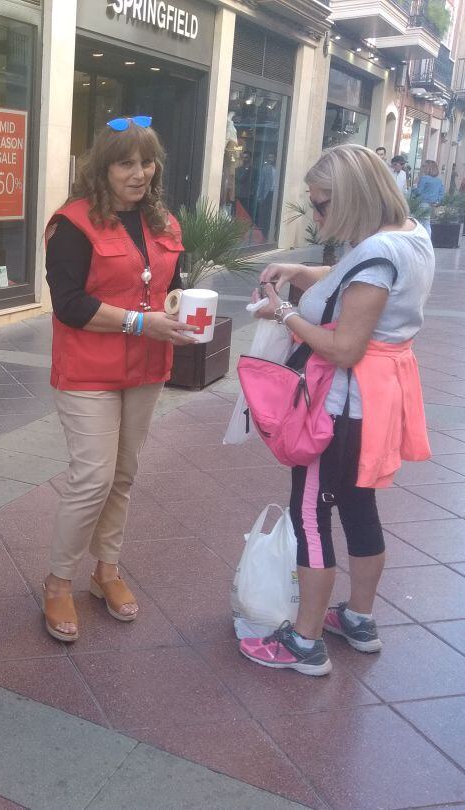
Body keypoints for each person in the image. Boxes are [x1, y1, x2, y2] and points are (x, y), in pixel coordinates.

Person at [242, 144, 433, 675]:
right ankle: (359, 618)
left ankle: (304, 642)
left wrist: (283, 312)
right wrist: (299, 269)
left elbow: (345, 346)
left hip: (341, 408)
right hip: (375, 405)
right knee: (358, 506)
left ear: (351, 200)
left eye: (322, 204)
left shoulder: (377, 255)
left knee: (310, 514)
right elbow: (347, 281)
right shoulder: (409, 235)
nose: (317, 214)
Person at [41, 116, 196, 642]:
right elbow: (69, 305)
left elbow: (177, 282)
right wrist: (139, 322)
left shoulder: (165, 223)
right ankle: (58, 579)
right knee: (92, 478)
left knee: (123, 475)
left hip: (147, 368)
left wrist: (186, 315)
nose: (138, 173)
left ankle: (105, 569)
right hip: (88, 369)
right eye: (125, 163)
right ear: (102, 168)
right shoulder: (72, 222)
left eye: (146, 162)